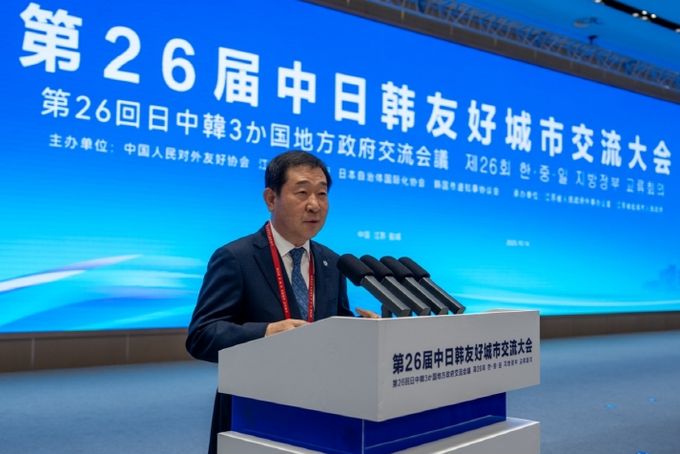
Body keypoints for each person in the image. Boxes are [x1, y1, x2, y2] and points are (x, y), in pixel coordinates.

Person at [186, 150, 373, 454]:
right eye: (302, 193)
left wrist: (360, 331)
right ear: (271, 199)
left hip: (322, 404)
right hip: (254, 409)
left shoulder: (331, 261)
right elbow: (201, 336)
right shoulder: (236, 258)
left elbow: (334, 324)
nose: (314, 204)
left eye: (322, 194)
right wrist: (267, 333)